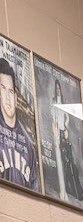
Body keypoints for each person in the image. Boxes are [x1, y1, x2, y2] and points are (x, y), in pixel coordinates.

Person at [0, 56, 37, 191]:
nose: (8, 97)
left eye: (10, 91)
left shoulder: (28, 144)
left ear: (16, 97)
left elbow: (34, 186)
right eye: (3, 89)